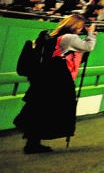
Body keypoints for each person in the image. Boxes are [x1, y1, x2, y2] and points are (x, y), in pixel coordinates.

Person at [14, 13, 97, 154]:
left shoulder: (53, 36)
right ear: (76, 26)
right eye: (81, 26)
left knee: (41, 109)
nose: (82, 29)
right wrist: (91, 33)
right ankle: (33, 143)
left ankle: (33, 142)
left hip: (45, 77)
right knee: (52, 109)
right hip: (57, 79)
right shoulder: (69, 38)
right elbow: (88, 46)